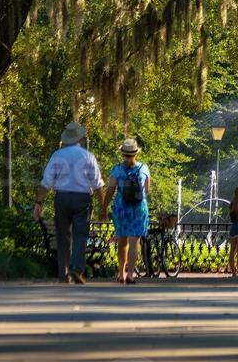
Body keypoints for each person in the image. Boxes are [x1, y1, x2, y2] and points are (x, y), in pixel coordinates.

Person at [32, 122, 104, 284]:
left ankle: (63, 273)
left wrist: (38, 203)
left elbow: (46, 182)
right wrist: (102, 207)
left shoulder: (57, 155)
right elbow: (98, 184)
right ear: (80, 138)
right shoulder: (88, 156)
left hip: (62, 198)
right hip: (82, 199)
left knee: (62, 236)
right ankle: (76, 269)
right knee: (80, 235)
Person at [102, 139, 150, 285]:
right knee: (134, 241)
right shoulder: (144, 168)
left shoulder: (116, 170)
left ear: (123, 154)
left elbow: (110, 191)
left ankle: (121, 274)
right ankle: (130, 275)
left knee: (122, 241)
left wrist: (103, 208)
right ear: (136, 153)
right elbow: (147, 191)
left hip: (121, 208)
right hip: (138, 208)